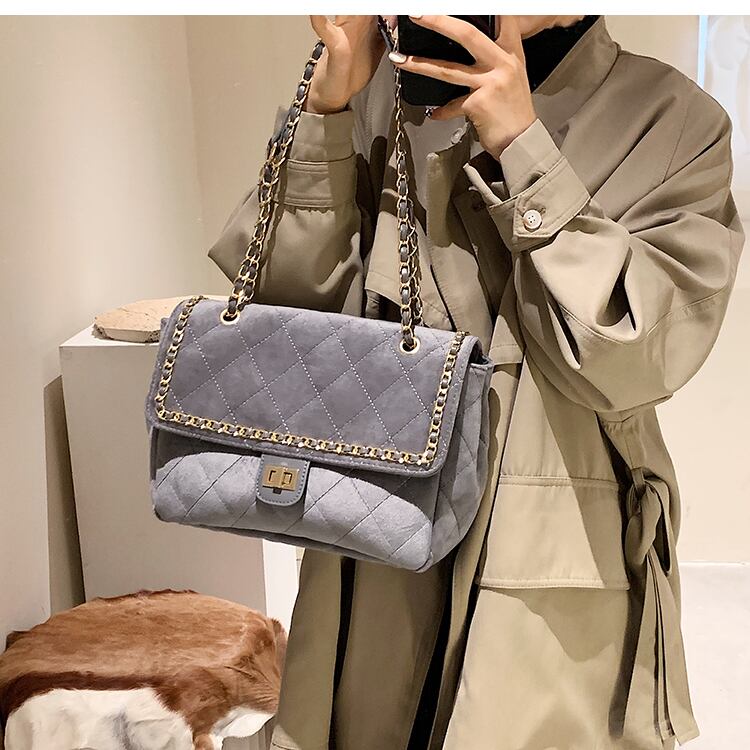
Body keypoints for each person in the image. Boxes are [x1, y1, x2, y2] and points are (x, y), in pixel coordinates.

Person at [209, 15, 744, 750]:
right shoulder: (383, 94)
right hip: (378, 521)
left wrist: (523, 147)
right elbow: (292, 324)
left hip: (557, 539)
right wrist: (327, 110)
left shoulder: (673, 118)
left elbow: (634, 356)